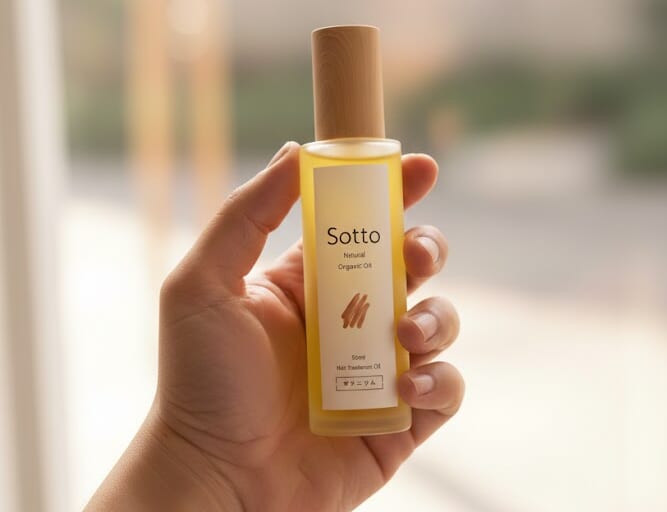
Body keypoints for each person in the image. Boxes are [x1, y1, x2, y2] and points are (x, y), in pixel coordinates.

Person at [86, 142, 464, 511]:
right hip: (248, 451)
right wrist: (202, 459)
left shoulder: (374, 157)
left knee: (412, 300)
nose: (353, 239)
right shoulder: (320, 160)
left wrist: (209, 472)